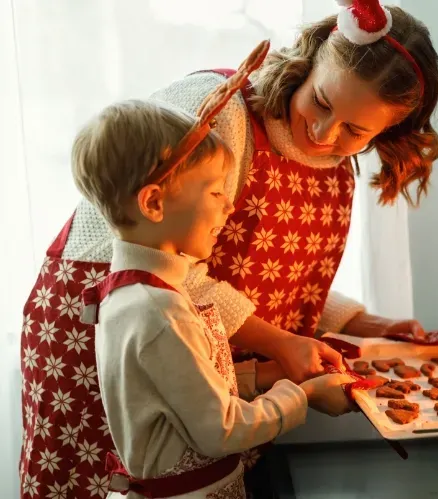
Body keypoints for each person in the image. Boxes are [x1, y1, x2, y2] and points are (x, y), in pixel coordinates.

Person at [18, 1, 438, 497]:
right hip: (99, 326)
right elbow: (169, 269)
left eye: (355, 130)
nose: (326, 133)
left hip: (195, 353)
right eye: (322, 103)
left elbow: (278, 277)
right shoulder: (220, 114)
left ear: (387, 131)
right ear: (309, 62)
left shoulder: (331, 163)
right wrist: (281, 346)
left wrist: (369, 325)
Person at [72, 97, 355, 498]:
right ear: (154, 203)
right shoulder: (160, 311)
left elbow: (182, 390)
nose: (230, 205)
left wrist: (273, 375)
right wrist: (304, 395)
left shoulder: (136, 293)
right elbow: (220, 431)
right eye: (216, 192)